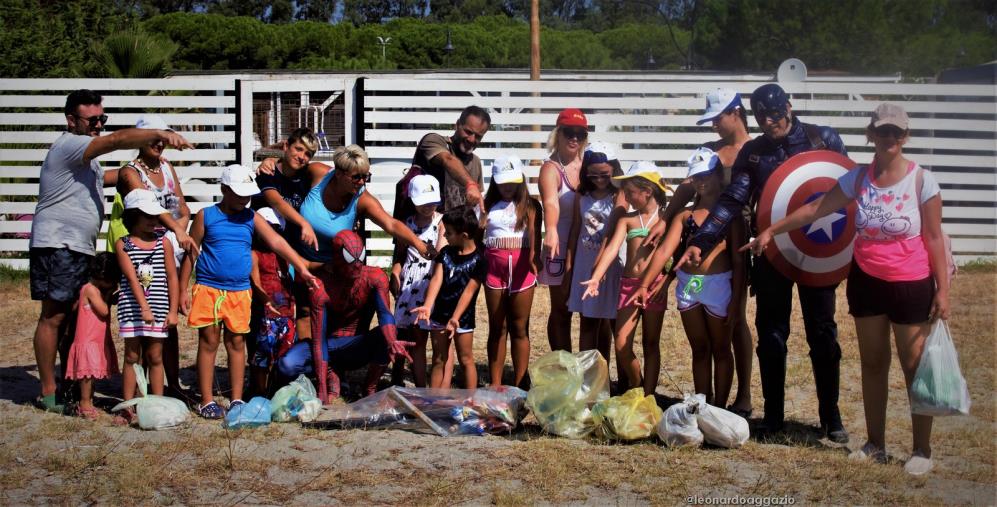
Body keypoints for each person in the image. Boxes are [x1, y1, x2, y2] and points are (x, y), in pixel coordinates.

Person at [744, 104, 949, 475]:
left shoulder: (923, 180)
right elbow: (816, 209)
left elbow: (935, 238)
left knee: (914, 367)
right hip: (867, 281)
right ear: (871, 135)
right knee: (872, 364)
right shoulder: (858, 178)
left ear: (905, 137)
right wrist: (773, 229)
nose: (889, 139)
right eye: (883, 132)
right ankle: (876, 444)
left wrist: (943, 291)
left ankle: (922, 449)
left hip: (912, 283)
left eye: (896, 133)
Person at [676, 83, 850, 442]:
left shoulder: (822, 139)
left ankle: (831, 416)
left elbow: (847, 192)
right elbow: (731, 201)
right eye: (763, 117)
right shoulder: (754, 153)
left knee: (823, 333)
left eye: (775, 114)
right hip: (770, 250)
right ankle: (773, 415)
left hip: (817, 248)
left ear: (789, 106)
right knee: (772, 334)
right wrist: (702, 240)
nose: (771, 122)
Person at [29, 89, 191, 413]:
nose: (98, 125)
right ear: (71, 120)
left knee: (74, 316)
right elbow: (117, 140)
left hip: (77, 247)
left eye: (102, 119)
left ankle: (70, 386)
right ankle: (48, 391)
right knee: (54, 315)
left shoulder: (88, 163)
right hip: (58, 243)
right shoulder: (71, 146)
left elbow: (118, 177)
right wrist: (159, 135)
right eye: (92, 119)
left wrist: (146, 168)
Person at [644, 88, 755, 417]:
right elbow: (687, 187)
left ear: (735, 112)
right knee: (710, 334)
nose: (713, 126)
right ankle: (710, 402)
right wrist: (666, 219)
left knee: (737, 320)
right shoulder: (710, 153)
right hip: (705, 238)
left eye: (717, 118)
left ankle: (744, 395)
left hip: (741, 235)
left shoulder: (755, 150)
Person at [179, 164, 316, 419]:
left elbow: (276, 242)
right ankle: (207, 400)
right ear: (224, 189)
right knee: (208, 342)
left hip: (240, 292)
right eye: (239, 193)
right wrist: (182, 289)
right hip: (209, 288)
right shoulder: (205, 215)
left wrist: (301, 267)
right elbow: (191, 253)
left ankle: (237, 399)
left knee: (237, 342)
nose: (244, 199)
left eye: (247, 194)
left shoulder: (252, 217)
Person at [629, 148, 746, 408]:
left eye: (706, 175)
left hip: (719, 285)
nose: (701, 182)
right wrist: (645, 285)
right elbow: (664, 251)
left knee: (721, 348)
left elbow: (739, 262)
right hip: (688, 286)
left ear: (717, 175)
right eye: (696, 177)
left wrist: (738, 301)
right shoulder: (685, 216)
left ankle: (719, 408)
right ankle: (703, 404)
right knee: (700, 349)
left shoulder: (732, 216)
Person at [106, 114, 194, 399]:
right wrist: (175, 233)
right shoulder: (131, 172)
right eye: (152, 136)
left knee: (167, 322)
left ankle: (171, 385)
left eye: (163, 136)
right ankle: (140, 393)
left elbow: (182, 207)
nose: (159, 142)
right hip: (143, 247)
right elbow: (148, 209)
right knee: (140, 331)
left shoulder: (167, 166)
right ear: (140, 139)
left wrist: (177, 232)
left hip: (168, 245)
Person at [277, 230, 414, 401]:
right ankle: (331, 374)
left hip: (356, 347)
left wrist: (392, 341)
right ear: (337, 257)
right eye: (350, 259)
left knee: (387, 335)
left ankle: (369, 387)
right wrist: (322, 392)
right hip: (328, 345)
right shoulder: (322, 284)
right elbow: (319, 339)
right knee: (287, 365)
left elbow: (385, 314)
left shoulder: (374, 277)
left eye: (361, 257)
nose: (357, 264)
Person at [581, 162, 669, 395]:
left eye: (630, 192)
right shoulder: (628, 219)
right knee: (621, 342)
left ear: (647, 191)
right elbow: (611, 249)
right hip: (628, 285)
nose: (626, 197)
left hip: (654, 286)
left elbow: (671, 254)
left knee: (651, 343)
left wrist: (666, 281)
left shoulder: (665, 220)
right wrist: (596, 277)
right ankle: (637, 384)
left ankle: (648, 396)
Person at [113, 190, 180, 425]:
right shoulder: (123, 244)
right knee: (132, 355)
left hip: (160, 309)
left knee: (155, 356)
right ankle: (128, 406)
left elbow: (172, 277)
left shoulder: (164, 243)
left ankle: (156, 404)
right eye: (147, 216)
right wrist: (143, 307)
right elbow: (131, 278)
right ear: (132, 216)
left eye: (156, 215)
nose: (153, 220)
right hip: (133, 309)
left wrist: (173, 311)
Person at [479, 156, 542, 388]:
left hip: (523, 270)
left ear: (521, 180)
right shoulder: (486, 206)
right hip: (494, 270)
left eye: (512, 181)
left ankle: (519, 384)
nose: (508, 187)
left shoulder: (532, 206)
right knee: (497, 327)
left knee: (519, 326)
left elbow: (537, 236)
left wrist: (536, 257)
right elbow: (477, 239)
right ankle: (495, 384)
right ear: (494, 181)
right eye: (503, 182)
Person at [411, 206, 487, 389]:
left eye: (449, 233)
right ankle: (435, 401)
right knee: (438, 358)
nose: (444, 236)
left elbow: (469, 291)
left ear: (465, 235)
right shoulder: (445, 254)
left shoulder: (480, 259)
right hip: (440, 315)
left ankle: (471, 402)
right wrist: (428, 306)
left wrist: (456, 318)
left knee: (466, 358)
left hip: (462, 319)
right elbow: (436, 279)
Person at [390, 175, 450, 388]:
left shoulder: (441, 222)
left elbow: (441, 254)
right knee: (414, 340)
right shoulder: (407, 223)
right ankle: (418, 386)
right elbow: (400, 254)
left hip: (431, 282)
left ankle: (435, 386)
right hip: (409, 285)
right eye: (423, 202)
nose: (428, 207)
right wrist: (396, 273)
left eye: (432, 202)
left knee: (435, 339)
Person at [566, 142, 622, 362]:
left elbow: (612, 233)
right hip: (584, 265)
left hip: (610, 267)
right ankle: (587, 376)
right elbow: (576, 229)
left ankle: (609, 377)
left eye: (604, 175)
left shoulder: (619, 196)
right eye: (593, 175)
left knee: (610, 321)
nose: (599, 180)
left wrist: (600, 265)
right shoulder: (582, 196)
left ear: (614, 170)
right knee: (587, 322)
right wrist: (570, 264)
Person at [538, 108, 588, 352]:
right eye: (569, 132)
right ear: (558, 134)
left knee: (592, 312)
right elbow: (550, 202)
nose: (574, 138)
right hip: (559, 246)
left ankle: (592, 366)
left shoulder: (589, 164)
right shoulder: (551, 168)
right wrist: (551, 229)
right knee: (561, 309)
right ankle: (563, 365)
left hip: (587, 246)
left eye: (580, 133)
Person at [394, 105, 490, 219]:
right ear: (457, 124)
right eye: (468, 132)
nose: (471, 139)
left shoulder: (475, 162)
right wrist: (470, 184)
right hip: (416, 230)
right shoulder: (433, 141)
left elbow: (473, 207)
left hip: (450, 233)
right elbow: (447, 160)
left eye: (478, 136)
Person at [64, 253, 120, 421]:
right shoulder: (90, 289)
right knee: (87, 374)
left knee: (92, 373)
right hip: (87, 340)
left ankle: (88, 399)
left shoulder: (94, 289)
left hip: (96, 339)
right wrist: (110, 295)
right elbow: (103, 310)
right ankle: (85, 402)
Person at [253, 128, 328, 252]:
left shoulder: (307, 177)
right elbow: (277, 202)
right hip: (261, 247)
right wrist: (304, 224)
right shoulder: (267, 172)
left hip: (295, 246)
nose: (301, 157)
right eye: (298, 149)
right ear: (286, 146)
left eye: (308, 154)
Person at [248, 208, 298, 397]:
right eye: (266, 227)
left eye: (275, 228)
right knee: (261, 357)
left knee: (283, 355)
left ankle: (277, 392)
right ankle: (259, 393)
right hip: (265, 317)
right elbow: (256, 283)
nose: (271, 233)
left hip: (286, 315)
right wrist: (265, 301)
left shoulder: (285, 256)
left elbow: (293, 279)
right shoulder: (255, 255)